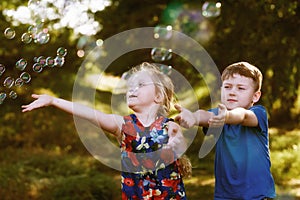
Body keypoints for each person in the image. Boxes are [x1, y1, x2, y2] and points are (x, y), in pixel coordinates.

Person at [22, 62, 191, 199]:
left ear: (158, 97)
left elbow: (179, 142)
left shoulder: (169, 126)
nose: (132, 89)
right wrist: (53, 100)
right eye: (130, 86)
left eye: (140, 85)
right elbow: (90, 113)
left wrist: (176, 144)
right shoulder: (123, 126)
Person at [175, 61, 276, 200]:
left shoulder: (258, 113)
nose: (232, 92)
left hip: (257, 195)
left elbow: (242, 116)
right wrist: (193, 117)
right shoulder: (218, 114)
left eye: (241, 88)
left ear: (255, 96)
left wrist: (226, 116)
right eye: (227, 87)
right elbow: (205, 115)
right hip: (225, 196)